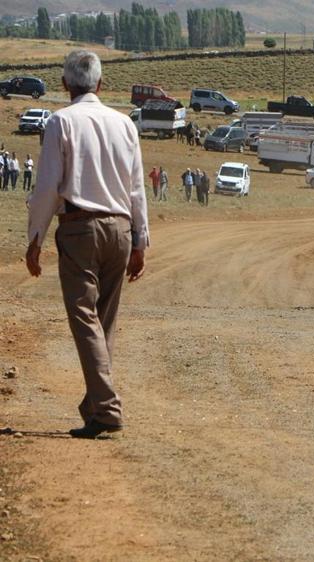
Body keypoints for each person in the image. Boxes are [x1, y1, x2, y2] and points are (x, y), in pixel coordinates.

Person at [26, 50, 148, 439]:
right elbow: (137, 188)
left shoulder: (61, 121)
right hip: (120, 229)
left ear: (65, 84)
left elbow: (48, 186)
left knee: (84, 318)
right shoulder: (125, 123)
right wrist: (140, 241)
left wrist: (35, 236)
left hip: (79, 229)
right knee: (103, 322)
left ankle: (107, 407)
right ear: (100, 83)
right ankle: (95, 407)